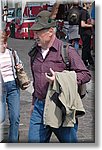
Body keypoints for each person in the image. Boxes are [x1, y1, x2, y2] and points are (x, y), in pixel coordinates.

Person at [28, 10, 91, 143]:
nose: (35, 36)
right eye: (35, 32)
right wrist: (34, 103)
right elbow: (36, 81)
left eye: (38, 32)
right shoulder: (34, 53)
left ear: (50, 31)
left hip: (61, 107)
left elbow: (85, 75)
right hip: (39, 108)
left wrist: (59, 78)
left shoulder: (67, 51)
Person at [0, 31, 23, 142]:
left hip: (13, 87)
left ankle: (13, 142)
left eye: (4, 43)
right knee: (1, 116)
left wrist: (19, 67)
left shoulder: (12, 53)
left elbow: (20, 64)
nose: (3, 46)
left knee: (15, 117)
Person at [79, 2, 94, 68]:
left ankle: (90, 61)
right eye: (89, 3)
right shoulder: (84, 12)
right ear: (85, 4)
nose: (90, 5)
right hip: (85, 33)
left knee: (87, 48)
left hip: (85, 33)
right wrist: (91, 25)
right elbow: (82, 24)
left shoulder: (83, 12)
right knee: (86, 48)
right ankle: (84, 62)